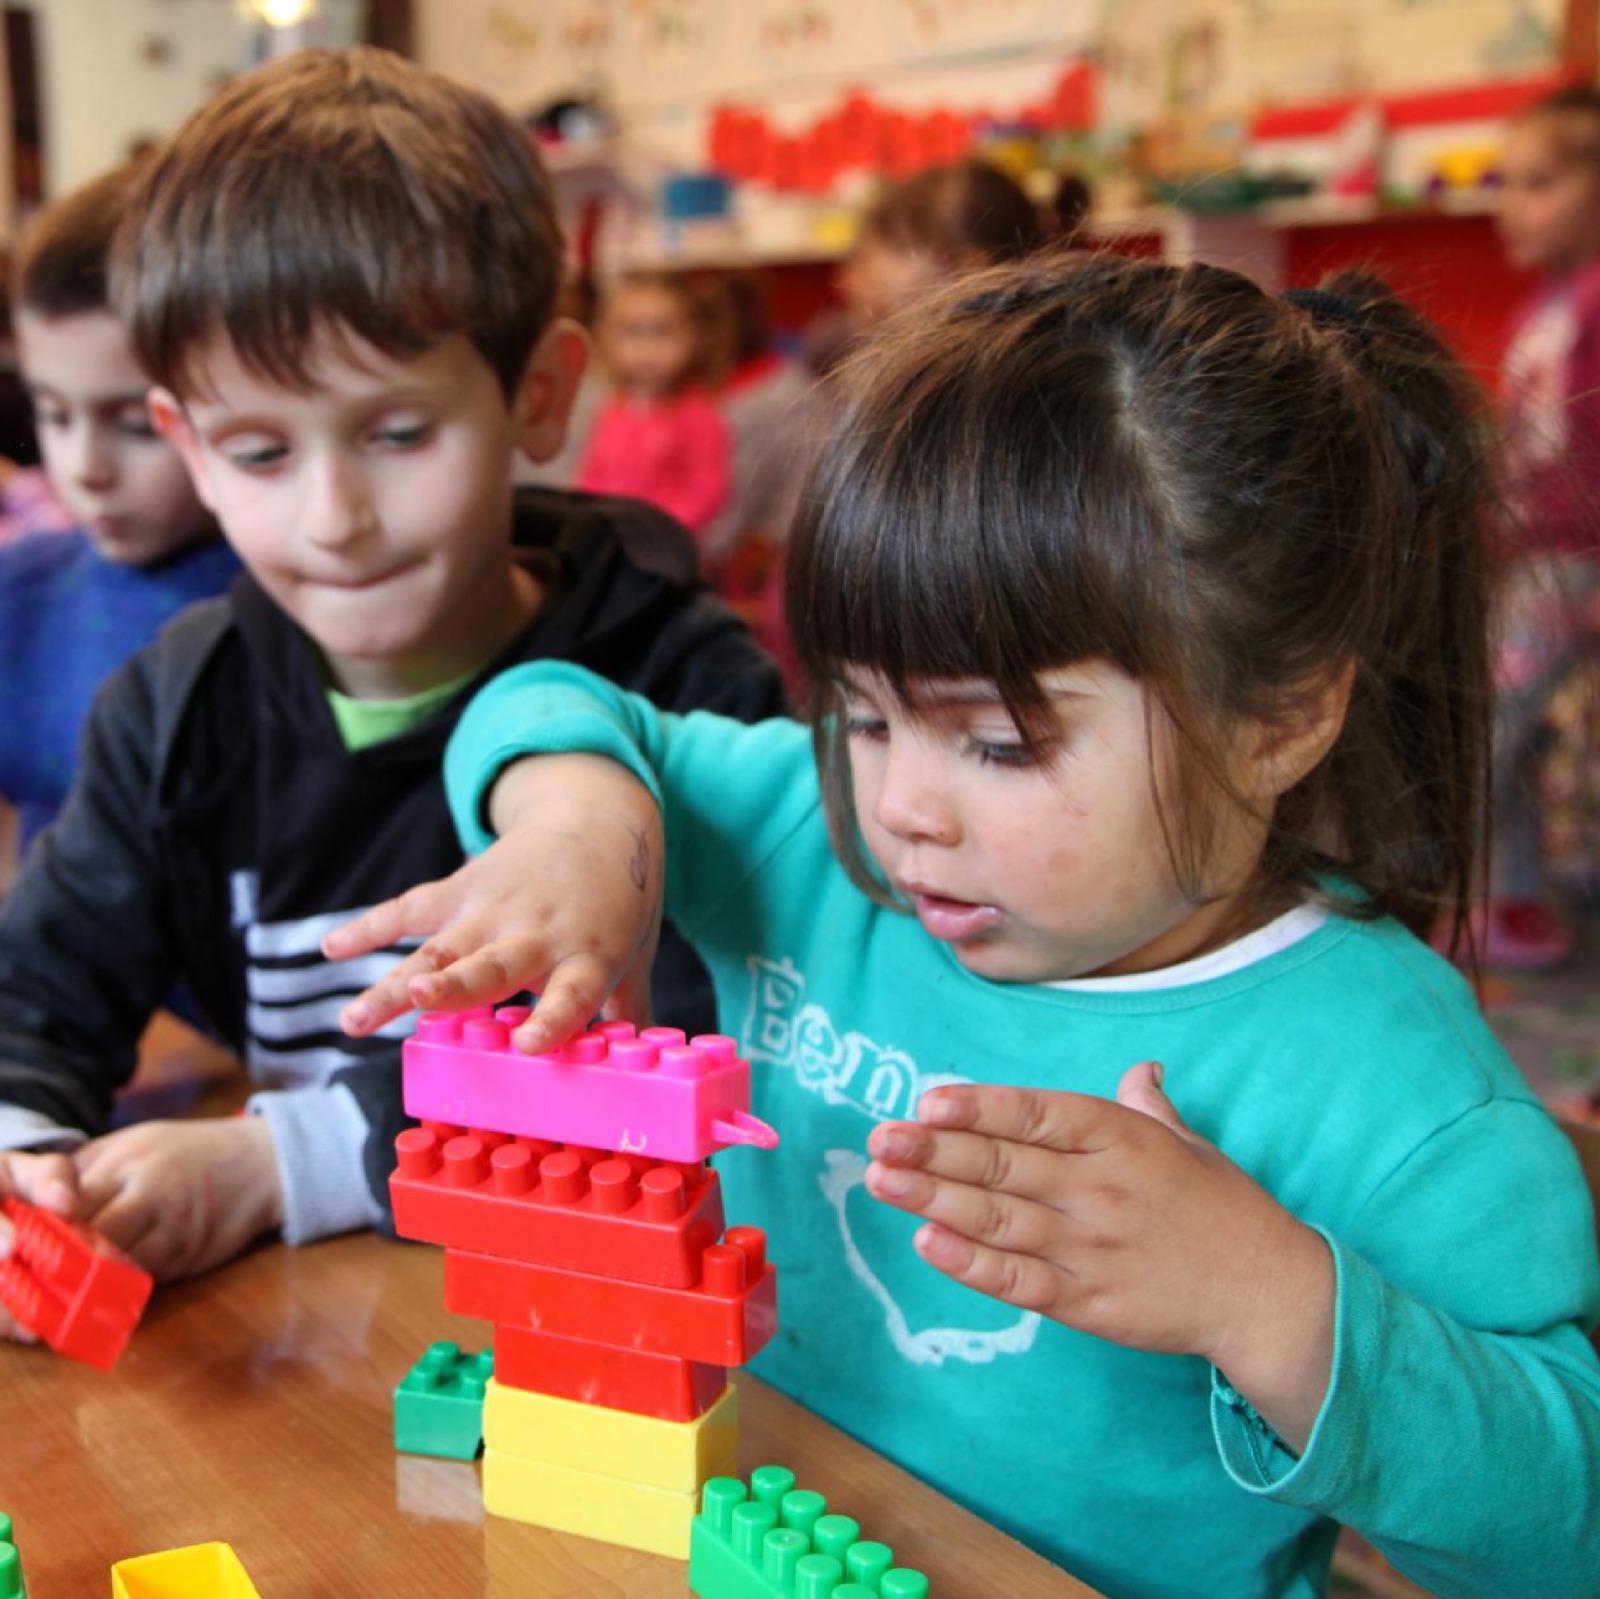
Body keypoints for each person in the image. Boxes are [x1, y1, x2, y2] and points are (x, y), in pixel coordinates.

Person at [332, 255, 1600, 1598]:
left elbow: (1563, 1529)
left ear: (1282, 718)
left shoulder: (1384, 1081)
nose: (902, 806)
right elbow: (559, 703)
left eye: (998, 743)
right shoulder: (815, 840)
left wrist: (1261, 1294)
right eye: (865, 715)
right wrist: (583, 827)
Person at [0, 49, 785, 1322]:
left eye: (398, 433)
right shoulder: (177, 702)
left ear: (537, 396)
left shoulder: (680, 683)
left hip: (591, 1322)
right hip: (305, 1349)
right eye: (259, 450)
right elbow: (46, 984)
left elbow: (715, 1034)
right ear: (189, 447)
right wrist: (21, 1150)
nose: (335, 518)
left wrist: (284, 1161)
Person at [0, 161, 238, 850]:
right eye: (53, 415)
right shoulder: (20, 596)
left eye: (137, 426)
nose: (84, 469)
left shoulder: (302, 591)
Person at [1487, 83, 1600, 968]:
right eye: (1506, 181)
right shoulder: (1542, 311)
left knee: (1502, 726)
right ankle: (1518, 901)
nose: (1509, 205)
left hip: (1580, 567)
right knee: (1503, 732)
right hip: (1539, 564)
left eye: (1538, 182)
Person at [806, 158, 1044, 376]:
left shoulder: (996, 380)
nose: (874, 268)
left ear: (970, 270)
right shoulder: (896, 366)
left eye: (899, 248)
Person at [576, 270, 731, 542]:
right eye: (633, 332)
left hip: (665, 548)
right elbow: (593, 473)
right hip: (614, 539)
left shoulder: (697, 413)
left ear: (693, 336)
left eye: (662, 332)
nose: (647, 347)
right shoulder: (613, 408)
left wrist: (661, 528)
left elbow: (708, 489)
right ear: (607, 338)